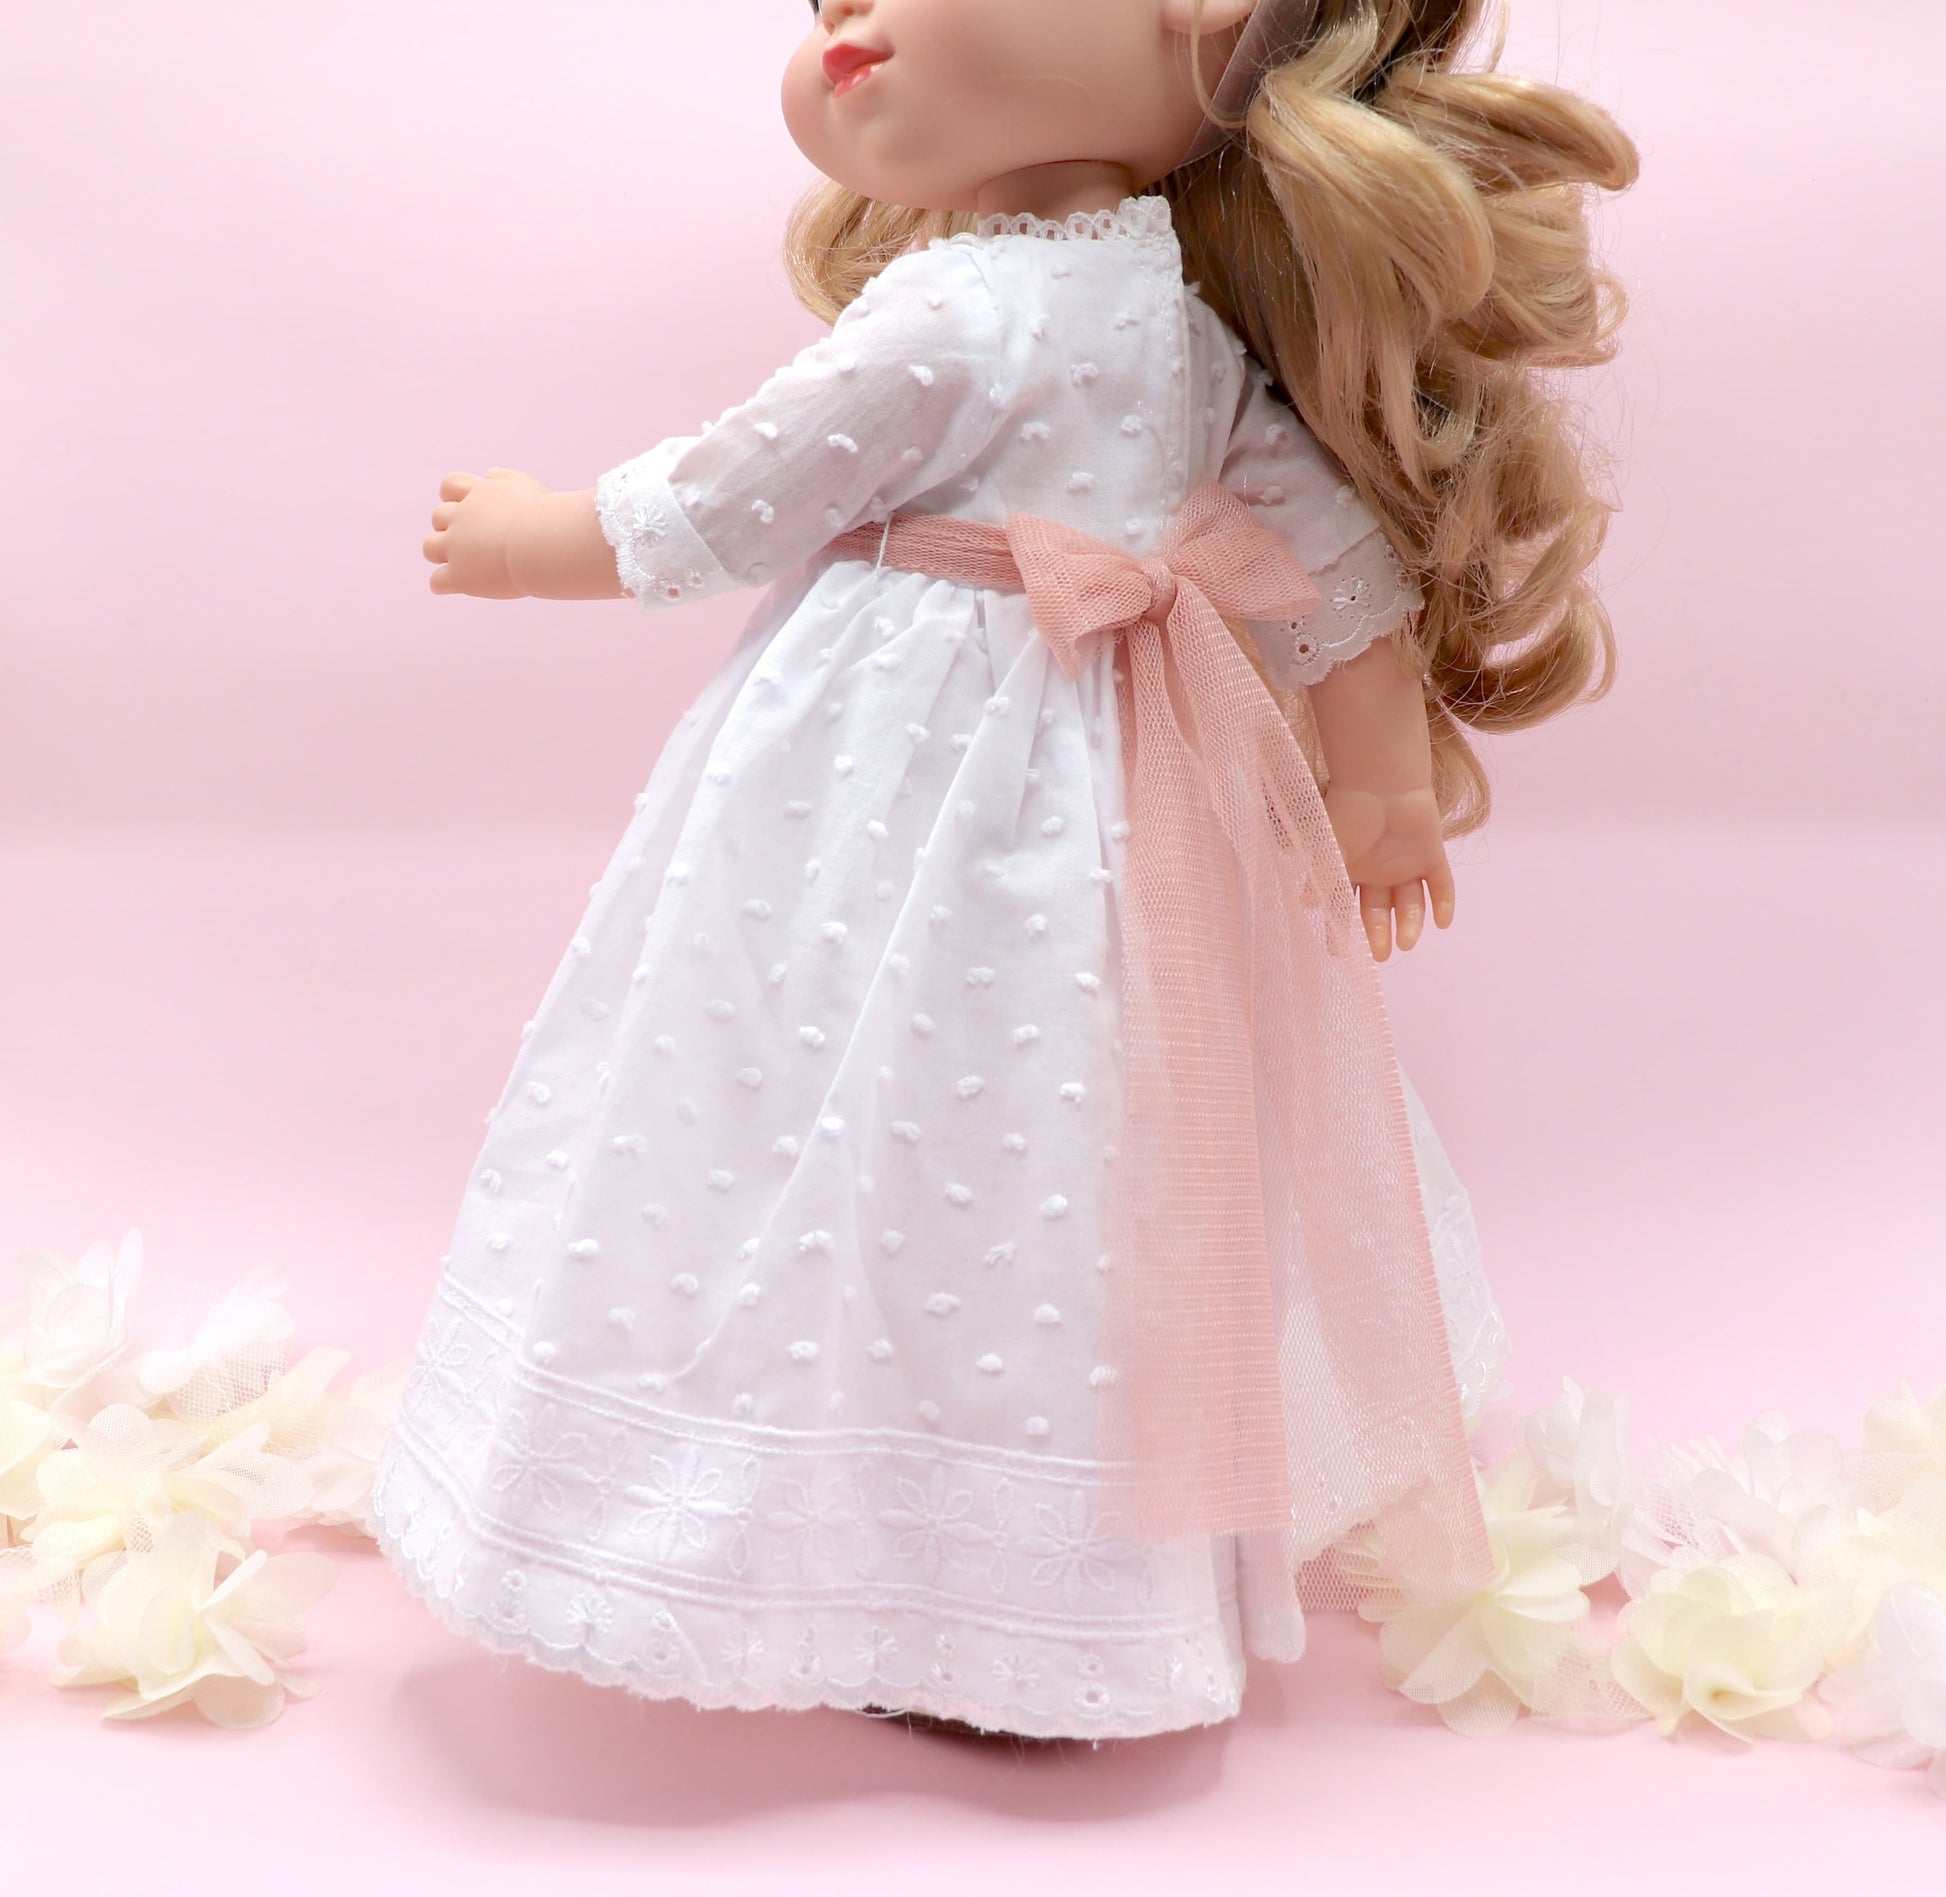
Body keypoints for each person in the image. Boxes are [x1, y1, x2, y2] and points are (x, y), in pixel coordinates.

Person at [370, 0, 1635, 1742]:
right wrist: (1378, 781)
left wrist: (536, 537)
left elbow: (740, 495)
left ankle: (924, 1562)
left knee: (855, 1118)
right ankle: (1048, 1572)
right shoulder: (1171, 317)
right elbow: (1331, 560)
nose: (843, 14)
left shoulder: (958, 309)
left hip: (885, 789)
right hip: (1117, 797)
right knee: (1076, 1142)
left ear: (1202, 27)